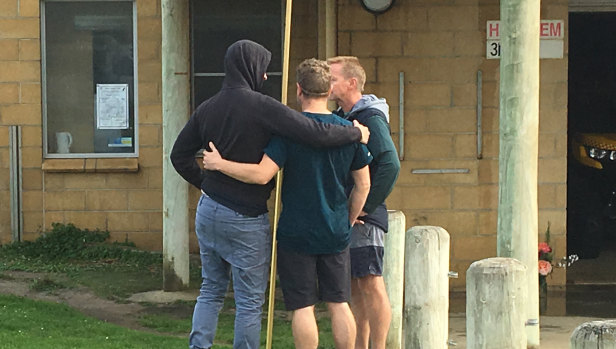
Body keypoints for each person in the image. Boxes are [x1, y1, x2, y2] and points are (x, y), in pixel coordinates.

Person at [170, 41, 369, 349]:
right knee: (252, 300)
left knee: (210, 289)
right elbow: (315, 133)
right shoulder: (264, 107)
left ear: (300, 90)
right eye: (262, 69)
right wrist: (356, 133)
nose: (264, 77)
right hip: (250, 217)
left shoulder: (206, 108)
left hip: (209, 211)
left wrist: (207, 183)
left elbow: (178, 155)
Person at [327, 56, 401, 349]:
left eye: (333, 79)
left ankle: (379, 345)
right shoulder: (344, 117)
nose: (328, 85)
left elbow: (390, 164)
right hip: (349, 212)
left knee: (372, 282)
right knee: (357, 284)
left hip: (364, 215)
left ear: (352, 83)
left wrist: (366, 206)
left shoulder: (370, 117)